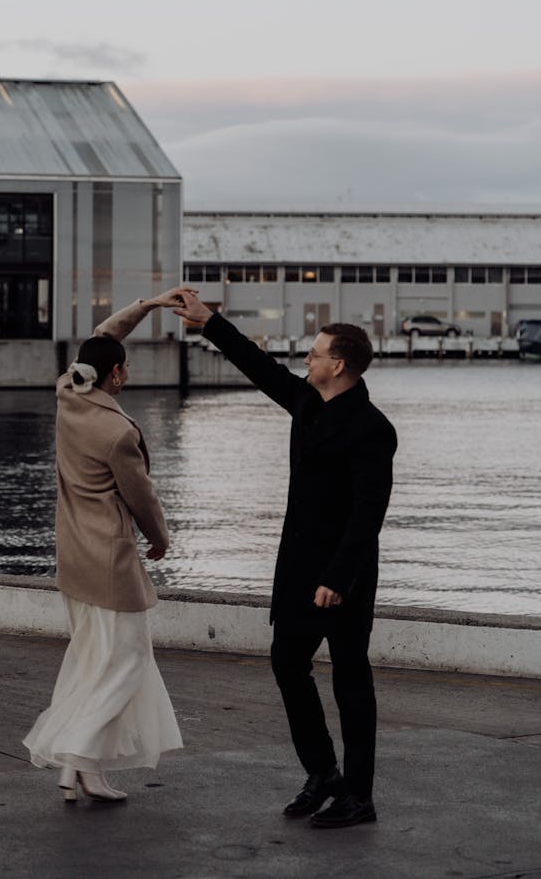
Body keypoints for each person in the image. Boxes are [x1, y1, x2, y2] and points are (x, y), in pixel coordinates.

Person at [172, 292, 397, 829]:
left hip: (343, 579)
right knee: (287, 664)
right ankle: (323, 772)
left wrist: (338, 580)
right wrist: (211, 323)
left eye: (316, 354)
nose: (307, 359)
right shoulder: (307, 404)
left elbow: (368, 517)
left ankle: (359, 797)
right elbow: (260, 367)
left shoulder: (372, 429)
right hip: (298, 571)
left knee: (351, 681)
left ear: (337, 365)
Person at [22, 291, 184, 803]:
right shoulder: (116, 432)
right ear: (115, 376)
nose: (128, 370)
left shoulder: (67, 392)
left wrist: (151, 305)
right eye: (126, 367)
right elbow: (143, 498)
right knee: (129, 659)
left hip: (73, 554)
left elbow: (104, 336)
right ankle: (75, 749)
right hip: (110, 559)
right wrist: (160, 541)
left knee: (94, 660)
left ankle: (85, 771)